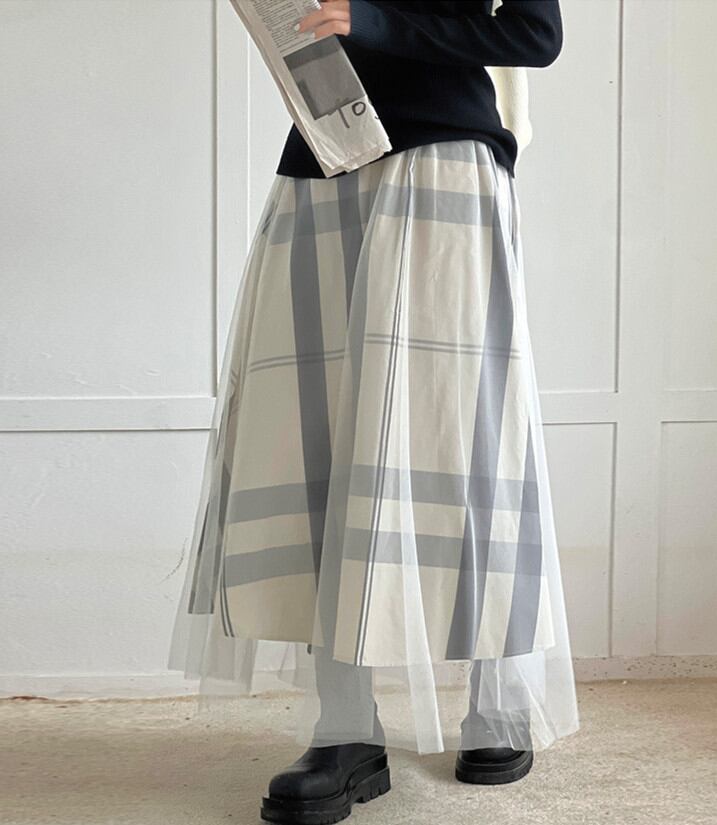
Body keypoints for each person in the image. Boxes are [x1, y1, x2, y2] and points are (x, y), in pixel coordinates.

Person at [167, 2, 580, 823]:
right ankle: (345, 729)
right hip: (322, 163)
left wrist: (373, 22)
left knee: (467, 437)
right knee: (308, 436)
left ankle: (498, 701)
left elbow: (534, 35)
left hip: (445, 158)